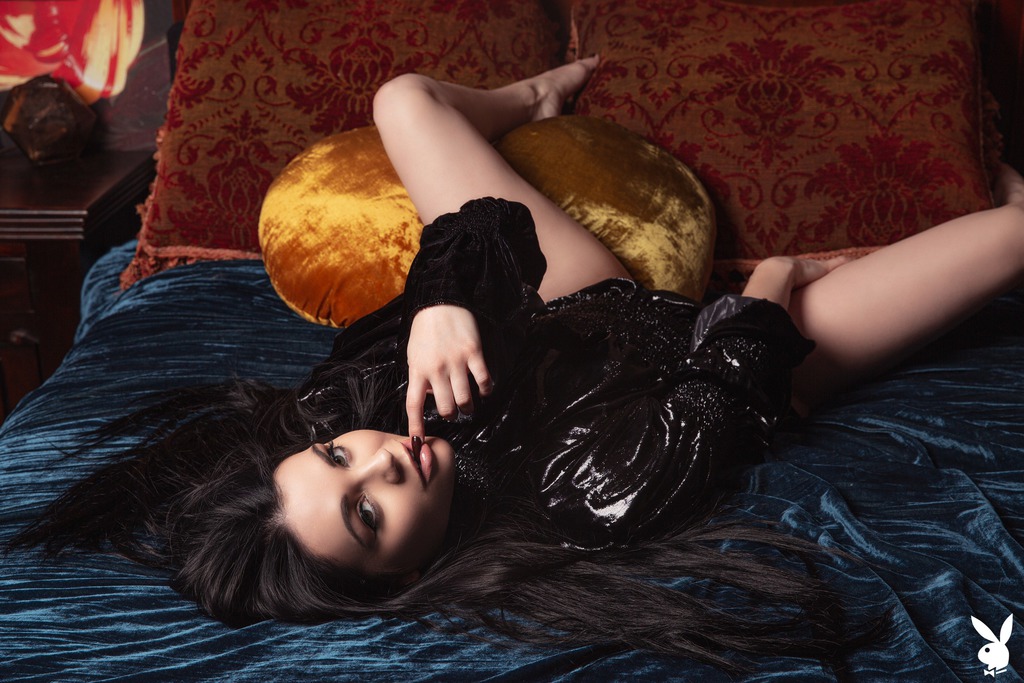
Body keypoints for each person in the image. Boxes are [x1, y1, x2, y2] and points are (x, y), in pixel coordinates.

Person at [10, 58, 1024, 669]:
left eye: (336, 458)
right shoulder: (588, 501)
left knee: (403, 98)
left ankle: (528, 95)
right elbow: (729, 375)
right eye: (367, 513)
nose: (379, 460)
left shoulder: (355, 401)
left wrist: (439, 305)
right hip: (728, 359)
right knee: (1010, 238)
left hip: (582, 303)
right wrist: (776, 279)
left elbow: (489, 225)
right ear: (401, 574)